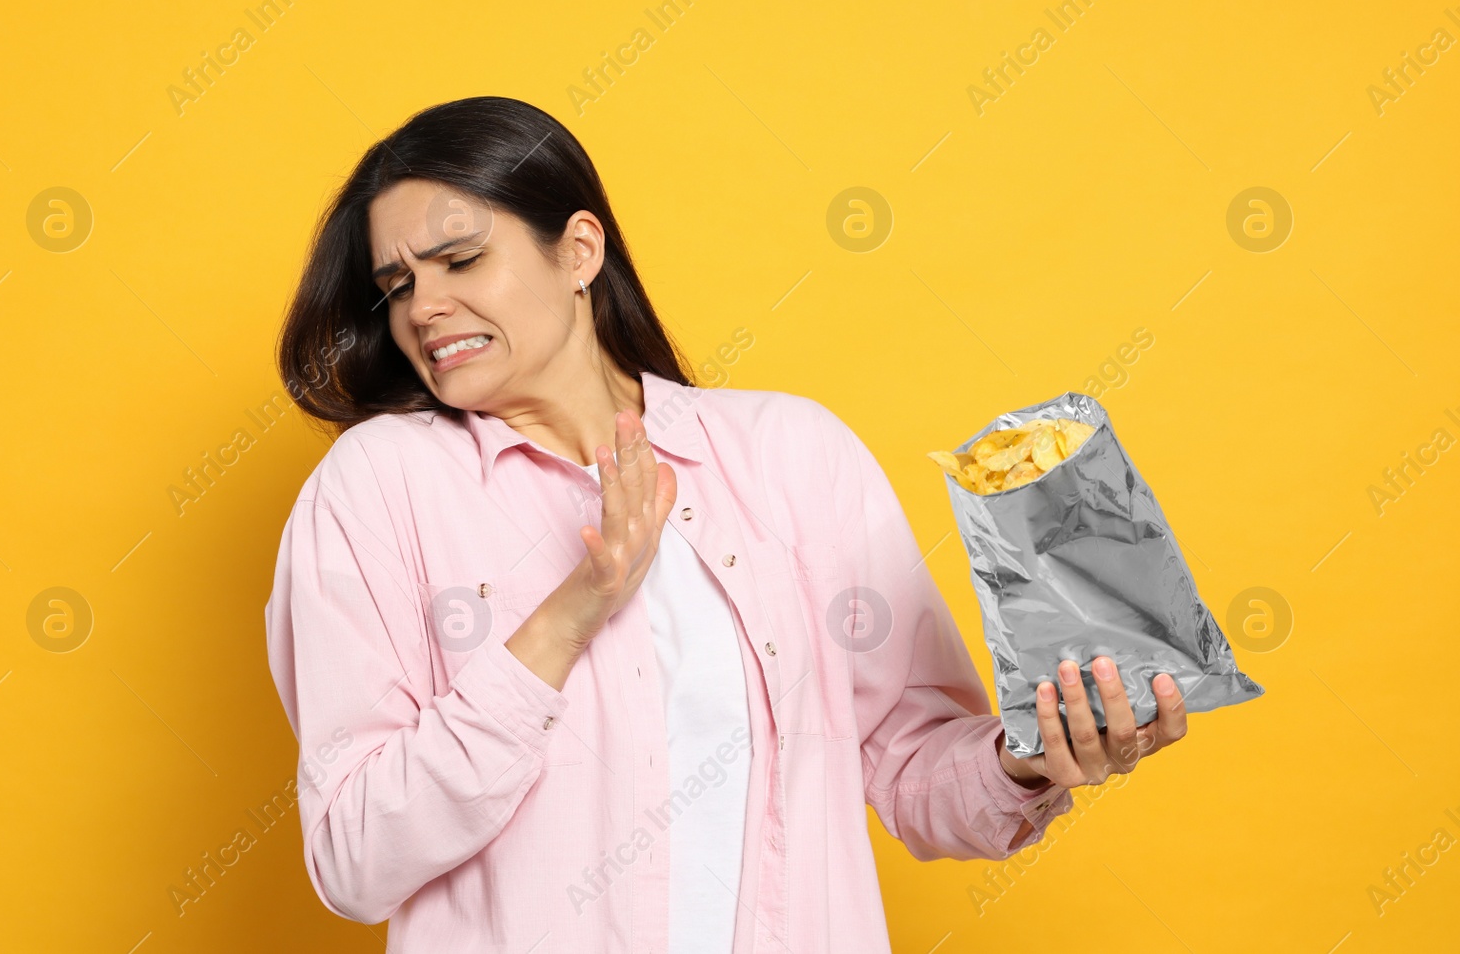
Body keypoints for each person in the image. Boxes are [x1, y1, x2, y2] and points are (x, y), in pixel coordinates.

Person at [263, 95, 1188, 953]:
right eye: (395, 285)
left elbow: (914, 769)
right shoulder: (375, 490)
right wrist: (575, 608)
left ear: (579, 250)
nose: (423, 308)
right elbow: (354, 858)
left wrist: (1034, 761)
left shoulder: (791, 456)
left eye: (461, 260)